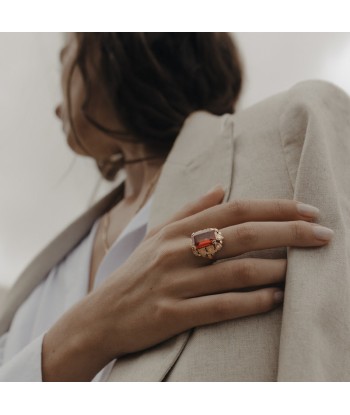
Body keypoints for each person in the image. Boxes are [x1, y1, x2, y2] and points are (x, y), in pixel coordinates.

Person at [0, 33, 348, 382]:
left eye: (65, 60)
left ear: (114, 46)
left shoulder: (292, 130)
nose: (56, 107)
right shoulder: (37, 287)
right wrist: (82, 336)